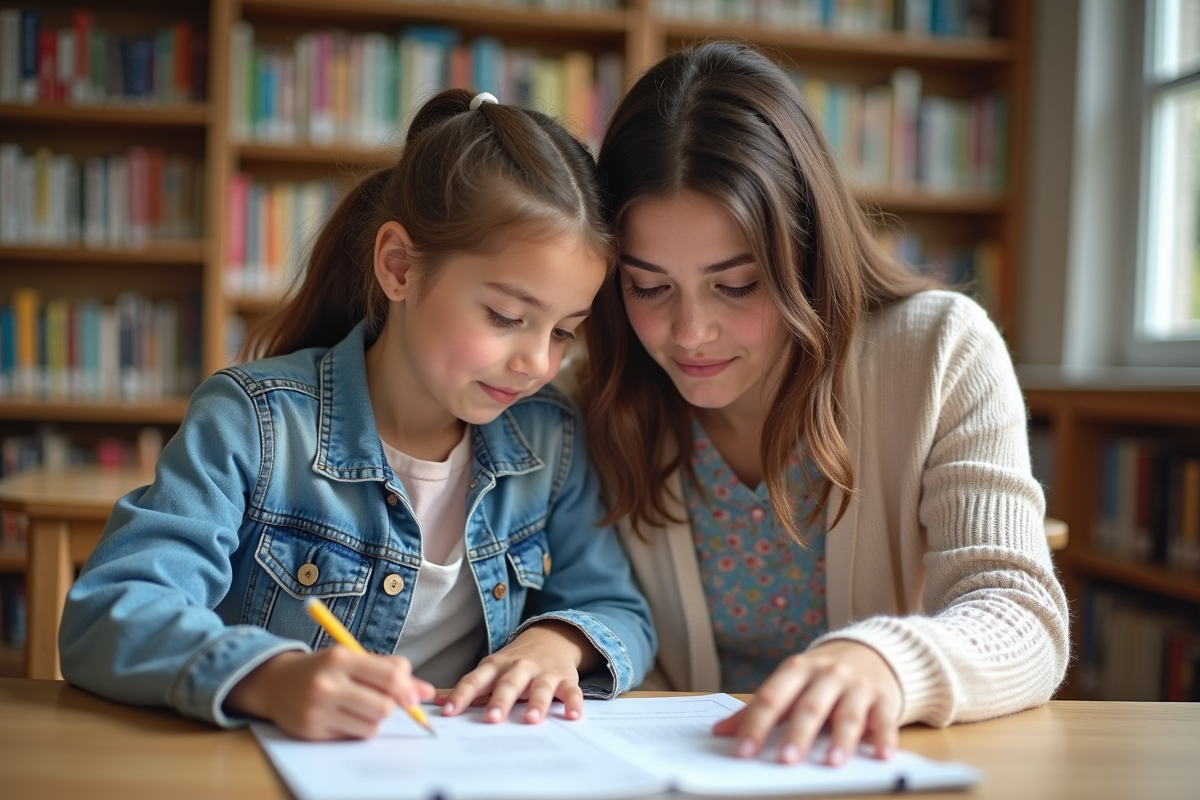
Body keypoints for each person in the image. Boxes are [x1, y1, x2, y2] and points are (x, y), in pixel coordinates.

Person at [59, 89, 655, 740]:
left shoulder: (551, 440)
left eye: (565, 330)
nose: (537, 362)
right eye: (506, 317)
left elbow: (616, 608)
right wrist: (268, 677)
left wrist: (560, 643)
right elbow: (113, 609)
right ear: (399, 266)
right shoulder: (253, 422)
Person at [581, 42, 1068, 767]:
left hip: (869, 764)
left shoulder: (939, 350)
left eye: (737, 284)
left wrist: (884, 663)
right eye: (648, 287)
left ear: (807, 254)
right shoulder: (590, 398)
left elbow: (1021, 615)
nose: (688, 334)